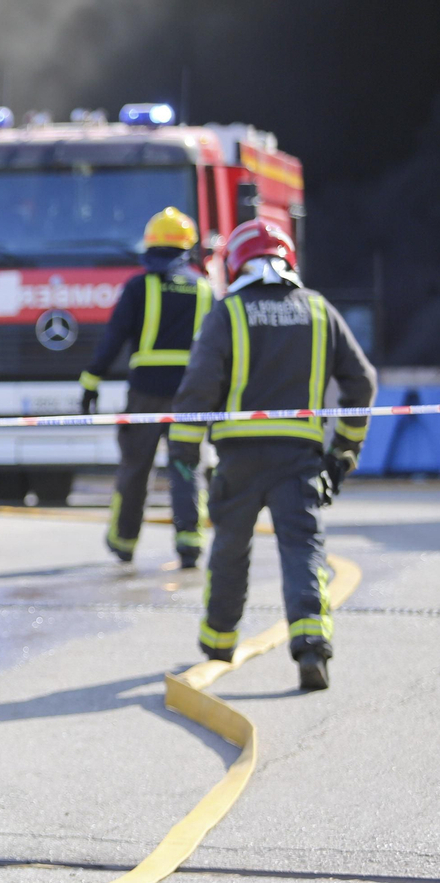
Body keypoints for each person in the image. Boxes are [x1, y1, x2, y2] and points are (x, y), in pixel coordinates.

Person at [171, 220, 376, 690]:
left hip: (238, 459)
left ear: (237, 262)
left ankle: (219, 642)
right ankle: (311, 648)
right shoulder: (319, 310)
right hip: (298, 459)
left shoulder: (228, 314)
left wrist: (184, 449)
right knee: (303, 548)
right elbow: (361, 381)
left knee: (229, 550)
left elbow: (198, 389)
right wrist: (344, 450)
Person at [79, 207, 213, 567]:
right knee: (186, 465)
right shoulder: (204, 288)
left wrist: (91, 381)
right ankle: (190, 542)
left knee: (136, 466)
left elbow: (113, 337)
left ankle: (124, 541)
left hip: (145, 393)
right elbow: (218, 349)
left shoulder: (139, 286)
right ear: (188, 247)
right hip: (190, 394)